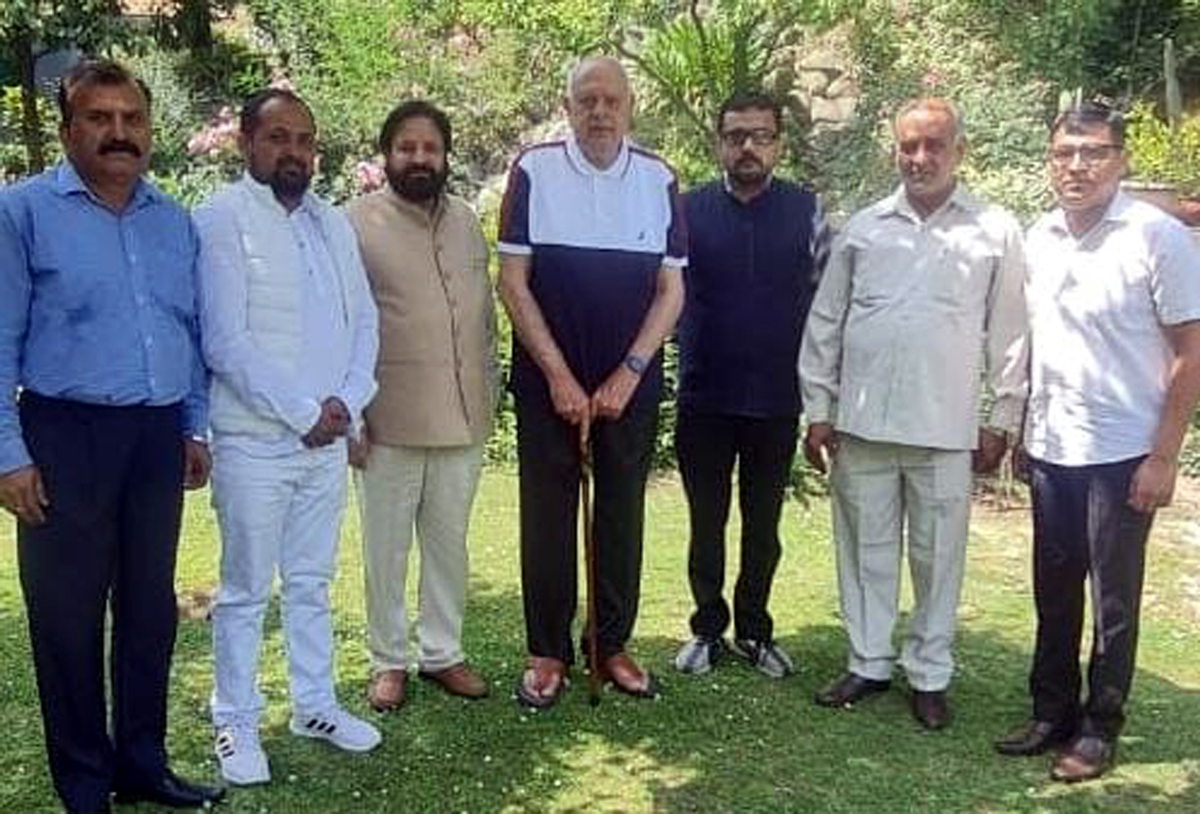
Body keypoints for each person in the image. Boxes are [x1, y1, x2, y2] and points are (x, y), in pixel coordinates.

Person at [0, 59, 223, 813]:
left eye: (132, 119)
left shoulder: (173, 221)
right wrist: (8, 456)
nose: (118, 133)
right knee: (67, 617)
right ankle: (85, 784)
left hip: (156, 436)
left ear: (150, 130)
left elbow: (189, 333)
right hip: (65, 434)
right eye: (99, 118)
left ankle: (142, 764)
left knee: (149, 612)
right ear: (69, 130)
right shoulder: (22, 213)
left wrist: (192, 425)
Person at [798, 98, 1027, 729]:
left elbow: (1010, 332)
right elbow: (826, 322)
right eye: (908, 146)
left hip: (945, 427)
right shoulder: (865, 227)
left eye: (934, 145)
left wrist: (1003, 417)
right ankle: (868, 661)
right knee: (864, 550)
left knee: (937, 556)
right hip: (862, 423)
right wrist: (818, 408)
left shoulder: (993, 230)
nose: (920, 158)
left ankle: (929, 673)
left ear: (959, 151)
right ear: (894, 150)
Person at [994, 103, 1200, 781]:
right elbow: (1036, 341)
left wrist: (1164, 455)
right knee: (1054, 590)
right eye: (1064, 153)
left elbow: (1190, 351)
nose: (1077, 166)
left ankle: (1099, 726)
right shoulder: (1041, 236)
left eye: (1093, 152)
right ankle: (1050, 712)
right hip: (1053, 446)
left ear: (1121, 160)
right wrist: (1023, 425)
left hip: (1124, 451)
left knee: (1113, 598)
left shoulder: (1157, 237)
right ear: (1049, 162)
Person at [195, 88, 381, 786]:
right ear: (246, 142)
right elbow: (225, 340)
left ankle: (314, 705)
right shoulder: (220, 218)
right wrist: (304, 412)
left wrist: (347, 403)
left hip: (325, 442)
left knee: (311, 581)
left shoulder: (333, 223)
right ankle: (235, 719)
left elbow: (364, 321)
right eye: (278, 138)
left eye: (304, 140)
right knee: (245, 589)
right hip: (255, 443)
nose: (293, 152)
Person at [497, 56, 686, 707]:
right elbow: (513, 283)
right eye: (587, 100)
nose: (600, 111)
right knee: (547, 514)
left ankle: (610, 644)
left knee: (622, 511)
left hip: (628, 382)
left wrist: (630, 372)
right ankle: (547, 650)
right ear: (568, 107)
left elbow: (671, 290)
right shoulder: (534, 170)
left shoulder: (659, 178)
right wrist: (557, 375)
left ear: (630, 106)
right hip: (548, 378)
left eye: (612, 100)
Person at [344, 100, 496, 710]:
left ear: (445, 156)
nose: (419, 158)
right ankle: (388, 660)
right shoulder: (355, 222)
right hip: (387, 420)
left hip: (463, 416)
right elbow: (341, 323)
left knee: (448, 544)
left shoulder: (465, 220)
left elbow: (483, 314)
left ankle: (442, 653)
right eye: (406, 147)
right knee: (385, 550)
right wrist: (351, 414)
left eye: (430, 148)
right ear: (387, 154)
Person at [672, 92, 827, 679]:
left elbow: (827, 306)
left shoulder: (807, 211)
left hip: (776, 399)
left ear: (778, 144)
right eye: (736, 135)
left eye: (761, 136)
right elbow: (663, 294)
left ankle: (756, 631)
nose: (747, 147)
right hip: (704, 396)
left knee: (764, 528)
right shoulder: (685, 211)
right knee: (705, 523)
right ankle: (707, 628)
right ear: (720, 143)